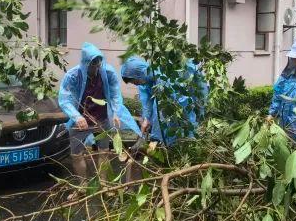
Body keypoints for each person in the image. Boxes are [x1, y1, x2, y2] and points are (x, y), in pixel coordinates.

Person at [58, 42, 140, 178]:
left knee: (104, 151)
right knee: (76, 155)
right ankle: (83, 187)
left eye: (98, 64)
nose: (96, 67)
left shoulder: (107, 73)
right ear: (85, 63)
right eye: (93, 64)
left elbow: (115, 94)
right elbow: (64, 99)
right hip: (81, 121)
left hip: (102, 119)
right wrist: (77, 117)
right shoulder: (73, 76)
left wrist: (115, 112)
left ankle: (104, 184)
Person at [119, 55, 208, 145]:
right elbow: (147, 103)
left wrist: (156, 137)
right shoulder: (144, 83)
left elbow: (161, 108)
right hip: (175, 101)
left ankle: (188, 144)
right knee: (170, 131)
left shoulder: (162, 78)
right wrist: (146, 119)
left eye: (135, 81)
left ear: (140, 73)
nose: (135, 84)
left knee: (186, 125)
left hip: (189, 95)